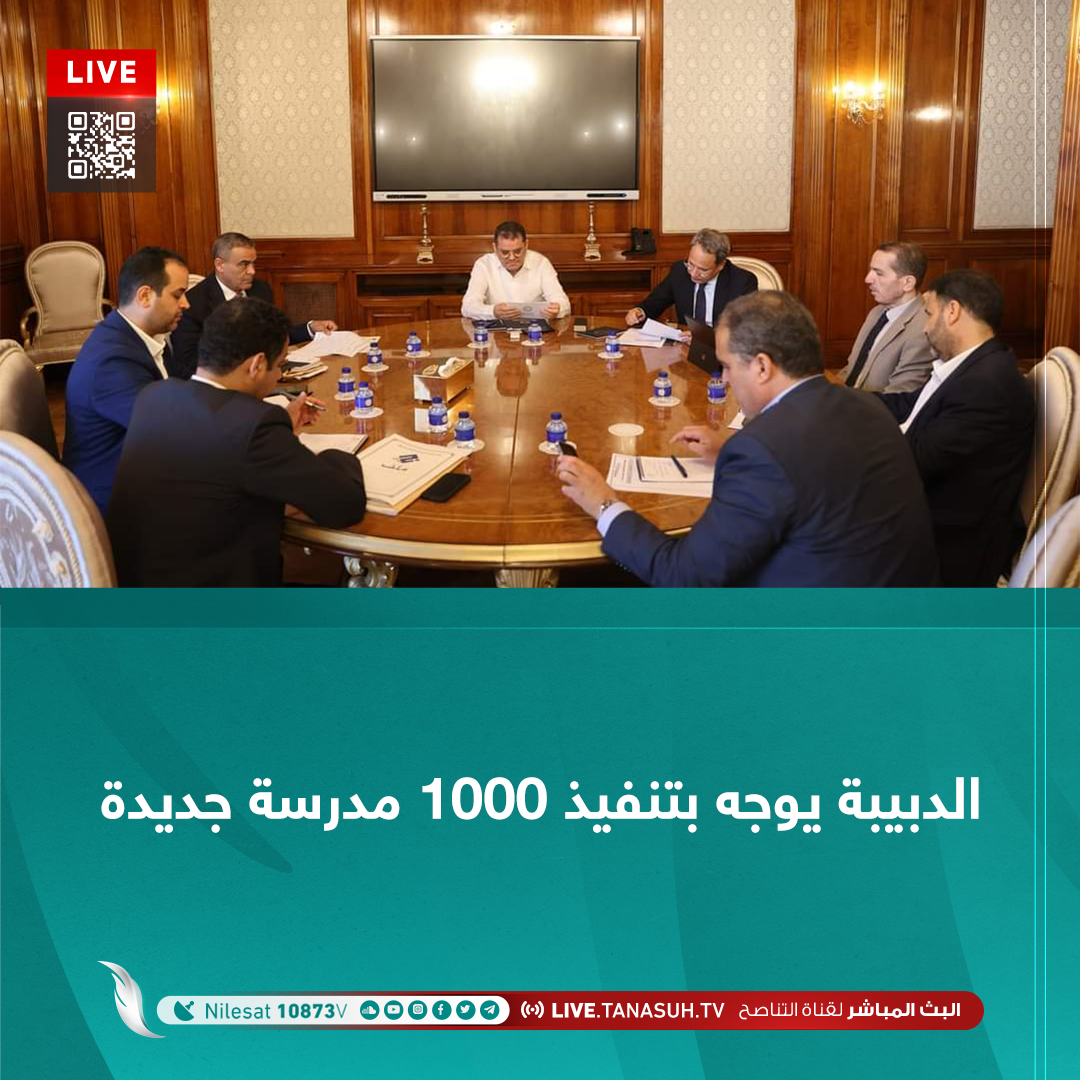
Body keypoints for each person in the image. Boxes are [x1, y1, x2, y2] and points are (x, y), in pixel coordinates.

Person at [557, 291, 939, 587]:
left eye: (726, 366)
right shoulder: (868, 405)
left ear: (762, 366)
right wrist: (729, 449)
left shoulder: (763, 450)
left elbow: (685, 576)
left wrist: (604, 503)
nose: (723, 380)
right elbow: (813, 471)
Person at [107, 298, 366, 587]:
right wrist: (337, 456)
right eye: (280, 365)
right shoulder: (254, 425)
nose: (279, 375)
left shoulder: (154, 396)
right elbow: (345, 505)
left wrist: (282, 433)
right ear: (257, 364)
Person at [875, 270, 1034, 587]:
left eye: (929, 314)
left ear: (952, 312)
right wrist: (837, 400)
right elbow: (908, 406)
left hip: (944, 544)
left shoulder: (988, 385)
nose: (925, 328)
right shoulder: (973, 367)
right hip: (921, 513)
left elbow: (915, 462)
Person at [63, 246, 190, 515]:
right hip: (114, 505)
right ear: (144, 296)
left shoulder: (141, 337)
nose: (186, 304)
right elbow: (168, 432)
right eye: (178, 294)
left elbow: (185, 392)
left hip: (143, 475)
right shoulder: (111, 362)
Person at [169, 231, 337, 378]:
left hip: (269, 377)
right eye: (244, 264)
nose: (252, 271)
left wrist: (310, 328)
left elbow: (275, 334)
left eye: (253, 263)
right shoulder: (192, 303)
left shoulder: (260, 289)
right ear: (220, 265)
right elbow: (189, 361)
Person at [837, 241, 934, 392]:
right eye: (871, 270)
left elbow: (898, 395)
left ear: (908, 283)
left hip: (870, 406)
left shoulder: (924, 328)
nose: (867, 279)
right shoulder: (876, 312)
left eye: (879, 273)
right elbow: (852, 370)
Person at [625, 229, 757, 328]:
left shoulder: (743, 282)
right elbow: (655, 302)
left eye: (703, 270)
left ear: (721, 265)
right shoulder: (679, 271)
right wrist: (640, 312)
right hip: (684, 346)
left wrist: (707, 337)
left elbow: (745, 327)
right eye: (690, 264)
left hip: (722, 349)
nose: (693, 273)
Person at [461, 221, 570, 320]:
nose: (512, 257)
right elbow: (468, 307)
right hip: (497, 329)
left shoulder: (541, 263)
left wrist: (557, 310)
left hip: (534, 329)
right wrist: (493, 311)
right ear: (495, 248)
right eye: (505, 252)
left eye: (517, 251)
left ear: (526, 245)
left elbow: (563, 303)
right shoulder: (484, 265)